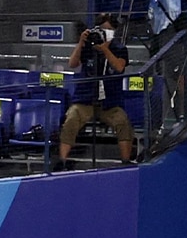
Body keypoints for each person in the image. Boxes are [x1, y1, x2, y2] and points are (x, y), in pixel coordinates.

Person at [56, 13, 134, 165]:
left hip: (110, 102)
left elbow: (119, 67)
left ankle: (126, 161)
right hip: (85, 99)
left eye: (108, 30)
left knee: (122, 122)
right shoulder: (88, 46)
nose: (104, 33)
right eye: (101, 30)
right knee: (71, 119)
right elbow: (72, 64)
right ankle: (62, 161)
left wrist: (105, 49)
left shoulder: (120, 48)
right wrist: (81, 42)